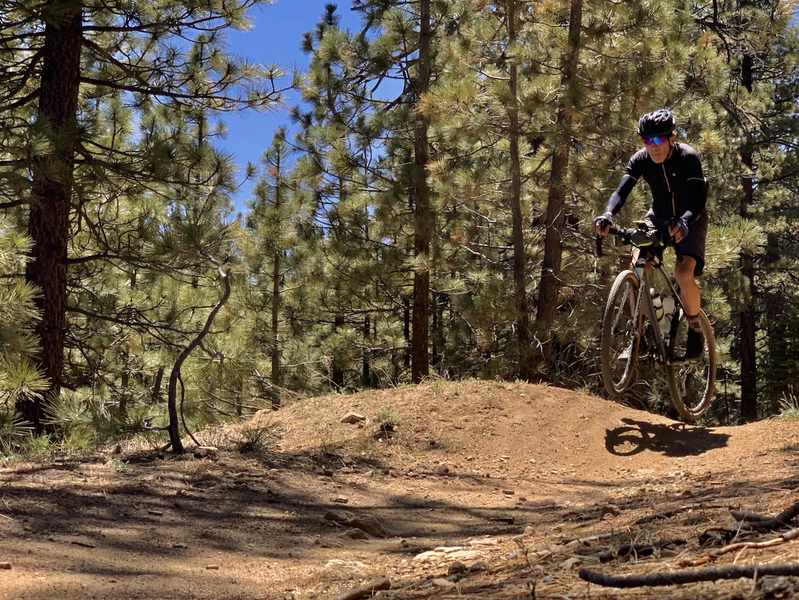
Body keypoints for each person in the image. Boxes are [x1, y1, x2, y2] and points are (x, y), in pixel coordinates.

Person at [594, 109, 708, 361]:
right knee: (638, 265)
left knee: (683, 272)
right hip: (659, 215)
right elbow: (622, 190)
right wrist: (608, 215)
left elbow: (698, 199)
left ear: (671, 138)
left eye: (658, 140)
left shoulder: (688, 157)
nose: (652, 147)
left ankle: (694, 328)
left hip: (691, 216)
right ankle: (638, 335)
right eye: (647, 141)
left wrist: (686, 222)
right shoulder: (641, 159)